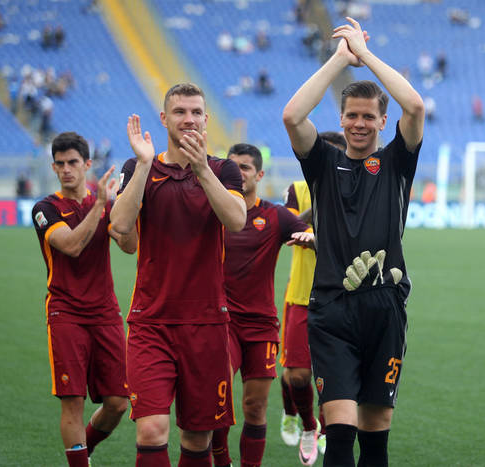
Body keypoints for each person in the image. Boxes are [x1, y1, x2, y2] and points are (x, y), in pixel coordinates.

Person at [282, 16, 424, 467]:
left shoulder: (396, 162)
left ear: (383, 120)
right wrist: (339, 60)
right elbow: (292, 116)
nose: (359, 124)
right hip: (332, 308)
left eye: (368, 116)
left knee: (376, 436)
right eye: (351, 116)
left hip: (385, 306)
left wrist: (365, 55)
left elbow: (415, 106)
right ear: (340, 119)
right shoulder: (323, 162)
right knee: (340, 432)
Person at [110, 83, 247, 467]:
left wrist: (201, 168)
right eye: (180, 111)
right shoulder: (139, 167)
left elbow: (237, 220)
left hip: (207, 324)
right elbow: (120, 226)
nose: (188, 119)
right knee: (152, 431)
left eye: (196, 112)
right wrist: (142, 165)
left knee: (198, 437)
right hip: (151, 323)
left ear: (206, 119)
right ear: (164, 118)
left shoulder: (223, 169)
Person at [32, 131, 137, 467]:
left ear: (87, 164)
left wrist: (129, 204)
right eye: (60, 163)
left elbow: (130, 246)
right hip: (65, 313)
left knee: (118, 402)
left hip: (105, 312)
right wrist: (102, 205)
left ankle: (83, 451)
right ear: (53, 167)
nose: (66, 169)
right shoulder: (45, 208)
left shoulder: (103, 204)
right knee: (73, 401)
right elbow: (72, 245)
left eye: (73, 162)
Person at [210, 143, 314, 467]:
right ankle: (222, 460)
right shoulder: (212, 212)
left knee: (254, 407)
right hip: (220, 322)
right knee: (216, 401)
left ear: (259, 174)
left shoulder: (274, 216)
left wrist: (313, 238)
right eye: (233, 167)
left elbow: (310, 234)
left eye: (245, 167)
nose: (238, 173)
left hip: (261, 325)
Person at [278, 131, 347, 461]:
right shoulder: (298, 190)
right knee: (298, 374)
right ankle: (303, 420)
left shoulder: (356, 190)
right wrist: (316, 204)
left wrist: (320, 239)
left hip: (342, 298)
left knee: (333, 375)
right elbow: (288, 230)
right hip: (302, 295)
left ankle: (321, 427)